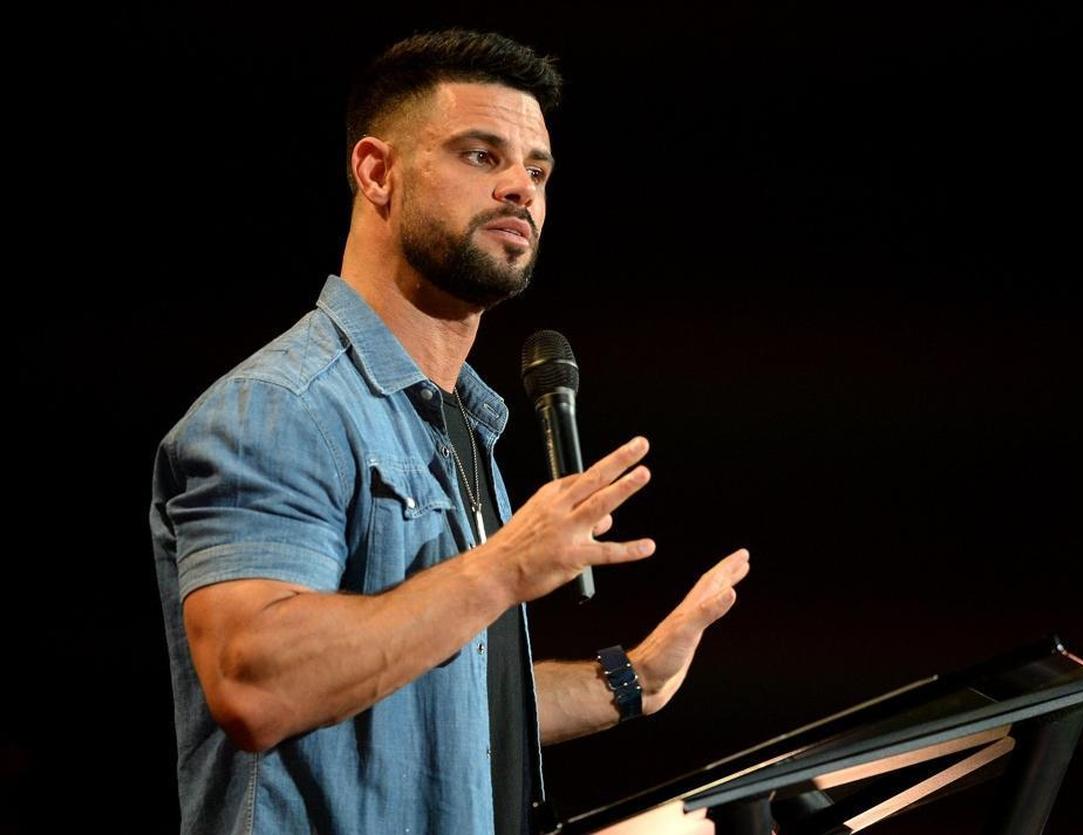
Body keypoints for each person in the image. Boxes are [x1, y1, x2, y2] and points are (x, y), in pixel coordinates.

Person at [150, 29, 749, 835]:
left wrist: (634, 678)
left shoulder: (460, 430)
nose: (520, 190)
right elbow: (257, 683)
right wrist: (502, 569)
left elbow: (440, 707)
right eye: (481, 156)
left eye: (536, 170)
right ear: (376, 172)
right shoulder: (281, 408)